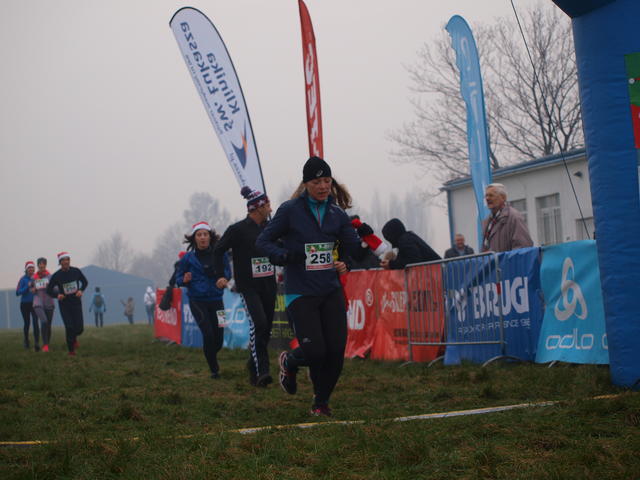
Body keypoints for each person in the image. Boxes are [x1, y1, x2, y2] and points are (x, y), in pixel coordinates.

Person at [257, 156, 361, 417]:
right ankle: (290, 361)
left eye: (327, 181)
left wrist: (346, 262)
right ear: (306, 184)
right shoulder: (290, 210)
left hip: (330, 289)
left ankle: (320, 403)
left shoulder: (337, 213)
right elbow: (263, 241)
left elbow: (352, 246)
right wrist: (282, 256)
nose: (323, 186)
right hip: (300, 291)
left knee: (335, 352)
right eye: (317, 182)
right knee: (316, 351)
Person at [213, 186, 277, 388]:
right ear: (258, 207)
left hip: (269, 285)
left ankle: (253, 364)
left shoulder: (271, 228)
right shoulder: (237, 230)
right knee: (259, 324)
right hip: (248, 287)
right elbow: (218, 251)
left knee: (266, 329)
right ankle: (263, 371)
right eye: (267, 205)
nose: (270, 208)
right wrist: (221, 275)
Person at [176, 222, 230, 379]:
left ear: (210, 237)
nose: (202, 237)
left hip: (217, 299)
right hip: (197, 300)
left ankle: (210, 354)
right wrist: (184, 279)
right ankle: (214, 369)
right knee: (208, 334)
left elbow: (228, 272)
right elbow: (178, 278)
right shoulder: (188, 258)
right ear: (194, 238)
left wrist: (224, 278)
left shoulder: (220, 255)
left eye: (205, 234)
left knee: (219, 336)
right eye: (199, 235)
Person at [46, 252, 88, 356]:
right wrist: (57, 295)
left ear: (69, 261)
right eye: (63, 260)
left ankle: (74, 338)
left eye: (67, 260)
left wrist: (81, 290)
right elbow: (49, 290)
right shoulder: (57, 275)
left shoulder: (76, 271)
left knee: (79, 329)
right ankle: (71, 351)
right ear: (60, 262)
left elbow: (85, 282)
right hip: (64, 305)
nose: (66, 262)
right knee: (69, 327)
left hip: (76, 303)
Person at [481, 183, 533, 252]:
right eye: (486, 196)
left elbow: (523, 247)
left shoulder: (514, 217)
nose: (487, 198)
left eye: (491, 195)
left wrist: (503, 258)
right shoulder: (487, 222)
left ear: (503, 198)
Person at [31, 258, 55, 352]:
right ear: (38, 265)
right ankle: (45, 344)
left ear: (45, 265)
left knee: (48, 324)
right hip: (38, 302)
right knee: (44, 321)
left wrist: (51, 287)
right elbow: (31, 288)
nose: (41, 265)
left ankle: (46, 344)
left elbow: (55, 288)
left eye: (43, 264)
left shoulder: (50, 276)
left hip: (49, 302)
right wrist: (33, 289)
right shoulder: (34, 277)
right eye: (40, 264)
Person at [16, 261, 39, 351]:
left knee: (35, 322)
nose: (31, 269)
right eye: (29, 268)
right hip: (25, 304)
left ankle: (37, 343)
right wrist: (28, 286)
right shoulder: (23, 279)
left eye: (32, 268)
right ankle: (26, 341)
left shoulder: (37, 278)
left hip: (35, 303)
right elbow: (18, 292)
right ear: (26, 269)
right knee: (27, 323)